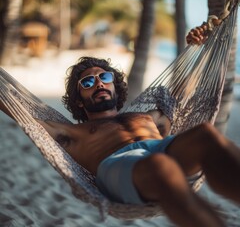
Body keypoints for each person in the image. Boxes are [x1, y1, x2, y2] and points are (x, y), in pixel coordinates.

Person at [1, 24, 240, 227]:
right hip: (117, 165)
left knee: (206, 135)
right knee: (160, 164)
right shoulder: (73, 133)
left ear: (115, 85)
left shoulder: (150, 116)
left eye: (105, 77)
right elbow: (17, 109)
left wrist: (199, 47)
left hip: (162, 151)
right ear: (78, 99)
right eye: (88, 82)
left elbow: (186, 94)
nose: (99, 84)